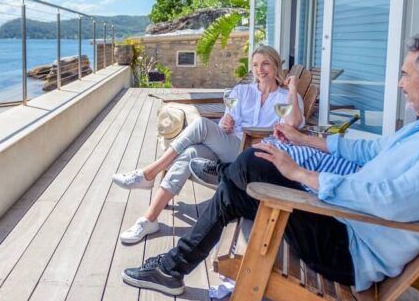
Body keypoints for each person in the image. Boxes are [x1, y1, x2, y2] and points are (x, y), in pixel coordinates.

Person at [121, 32, 419, 295]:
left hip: (350, 247)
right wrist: (305, 140)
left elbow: (388, 201)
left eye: (405, 75)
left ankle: (177, 259)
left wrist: (299, 173)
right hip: (344, 218)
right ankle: (174, 265)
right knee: (246, 175)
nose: (400, 84)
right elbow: (369, 153)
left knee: (252, 164)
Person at [111, 45, 304, 245]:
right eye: (255, 65)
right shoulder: (242, 91)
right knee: (190, 153)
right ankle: (149, 219)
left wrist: (292, 88)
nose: (260, 70)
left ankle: (149, 173)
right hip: (230, 146)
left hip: (253, 155)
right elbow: (226, 122)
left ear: (275, 65)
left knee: (201, 125)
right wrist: (225, 124)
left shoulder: (287, 96)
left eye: (265, 64)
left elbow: (293, 123)